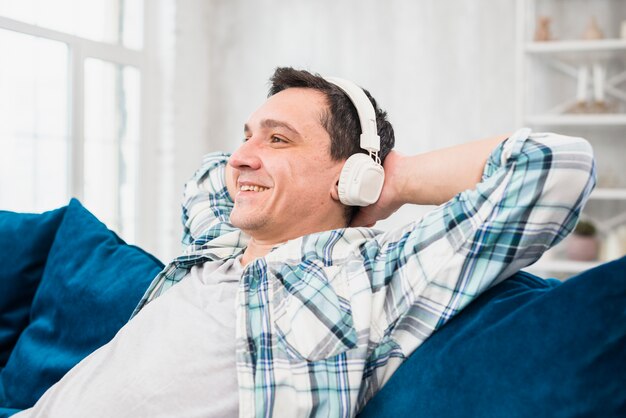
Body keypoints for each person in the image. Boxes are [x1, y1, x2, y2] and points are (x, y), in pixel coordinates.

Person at [16, 67, 596, 418]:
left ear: (352, 174)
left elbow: (556, 166)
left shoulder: (367, 275)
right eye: (247, 133)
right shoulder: (218, 237)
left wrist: (396, 179)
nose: (244, 153)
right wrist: (274, 149)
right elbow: (211, 172)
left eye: (279, 139)